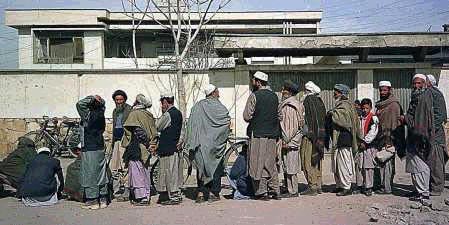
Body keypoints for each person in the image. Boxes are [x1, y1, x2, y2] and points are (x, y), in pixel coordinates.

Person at [185, 84, 231, 203]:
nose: (219, 93)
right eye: (217, 91)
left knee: (201, 167)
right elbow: (226, 122)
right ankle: (213, 193)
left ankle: (200, 193)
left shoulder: (197, 106)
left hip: (200, 145)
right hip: (215, 145)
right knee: (215, 166)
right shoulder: (220, 107)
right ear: (213, 93)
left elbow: (191, 125)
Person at [243, 71, 281, 200]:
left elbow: (247, 116)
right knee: (270, 162)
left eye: (253, 80)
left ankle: (261, 191)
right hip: (272, 135)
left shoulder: (254, 96)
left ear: (258, 82)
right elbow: (279, 115)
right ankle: (275, 189)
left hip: (258, 134)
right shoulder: (275, 97)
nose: (252, 82)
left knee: (257, 163)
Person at [327, 84, 362, 196]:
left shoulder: (346, 105)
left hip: (344, 138)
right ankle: (339, 185)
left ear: (341, 93)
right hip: (338, 138)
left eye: (336, 92)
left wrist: (332, 113)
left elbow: (344, 120)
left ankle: (347, 187)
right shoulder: (341, 105)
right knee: (337, 164)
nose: (334, 94)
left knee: (344, 164)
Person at [403, 74, 433, 202]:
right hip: (413, 135)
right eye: (414, 83)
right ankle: (418, 190)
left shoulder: (425, 97)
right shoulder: (415, 97)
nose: (416, 86)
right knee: (414, 165)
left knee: (421, 164)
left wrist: (405, 118)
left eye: (419, 83)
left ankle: (423, 192)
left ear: (425, 84)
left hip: (421, 135)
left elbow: (422, 119)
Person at [121, 94, 156, 206]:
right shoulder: (148, 114)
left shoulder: (135, 114)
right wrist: (150, 144)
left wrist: (145, 142)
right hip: (146, 148)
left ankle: (141, 197)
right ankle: (146, 194)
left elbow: (138, 131)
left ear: (137, 102)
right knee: (145, 171)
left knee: (137, 173)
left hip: (137, 147)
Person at [76, 95, 109, 210]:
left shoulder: (88, 115)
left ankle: (93, 201)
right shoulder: (101, 113)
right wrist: (99, 100)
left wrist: (91, 97)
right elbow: (103, 104)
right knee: (101, 173)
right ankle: (103, 198)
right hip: (100, 145)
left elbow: (79, 104)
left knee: (90, 174)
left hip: (90, 146)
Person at [374, 81, 404, 195]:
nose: (382, 92)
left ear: (390, 90)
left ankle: (387, 187)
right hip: (380, 138)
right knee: (380, 163)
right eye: (381, 90)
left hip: (389, 139)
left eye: (385, 90)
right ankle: (381, 185)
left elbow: (394, 124)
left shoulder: (393, 105)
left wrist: (390, 140)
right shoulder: (380, 104)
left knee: (388, 165)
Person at [154, 92, 183, 205]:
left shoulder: (168, 115)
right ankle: (170, 195)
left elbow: (158, 126)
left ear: (165, 102)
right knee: (171, 172)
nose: (162, 105)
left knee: (170, 172)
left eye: (162, 102)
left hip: (168, 148)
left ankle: (174, 196)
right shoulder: (178, 113)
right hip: (173, 147)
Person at [300, 81, 327, 196]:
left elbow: (306, 119)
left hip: (310, 137)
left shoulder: (307, 100)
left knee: (307, 160)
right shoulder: (320, 101)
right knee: (317, 160)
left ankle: (312, 186)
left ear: (308, 91)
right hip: (320, 137)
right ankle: (318, 185)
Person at [278, 80, 303, 198]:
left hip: (290, 141)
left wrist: (286, 140)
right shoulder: (293, 104)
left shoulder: (290, 106)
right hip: (290, 140)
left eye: (284, 89)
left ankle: (293, 191)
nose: (282, 91)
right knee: (287, 166)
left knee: (291, 167)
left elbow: (291, 127)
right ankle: (290, 189)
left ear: (288, 91)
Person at [426, 74, 447, 196]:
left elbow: (441, 115)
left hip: (435, 136)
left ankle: (437, 187)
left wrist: (431, 129)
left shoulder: (436, 94)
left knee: (436, 161)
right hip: (428, 135)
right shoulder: (427, 94)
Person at [109, 90, 132, 201]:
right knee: (115, 166)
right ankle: (116, 189)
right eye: (117, 100)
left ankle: (127, 190)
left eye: (121, 100)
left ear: (124, 100)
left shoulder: (129, 110)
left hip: (125, 142)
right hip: (116, 141)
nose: (119, 102)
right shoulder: (115, 111)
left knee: (125, 166)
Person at [354, 99, 378, 196]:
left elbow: (373, 132)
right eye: (363, 108)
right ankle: (359, 185)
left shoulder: (374, 118)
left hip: (369, 146)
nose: (364, 110)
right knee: (359, 166)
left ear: (370, 108)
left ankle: (368, 187)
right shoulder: (359, 117)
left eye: (366, 108)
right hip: (360, 145)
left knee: (368, 167)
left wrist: (365, 142)